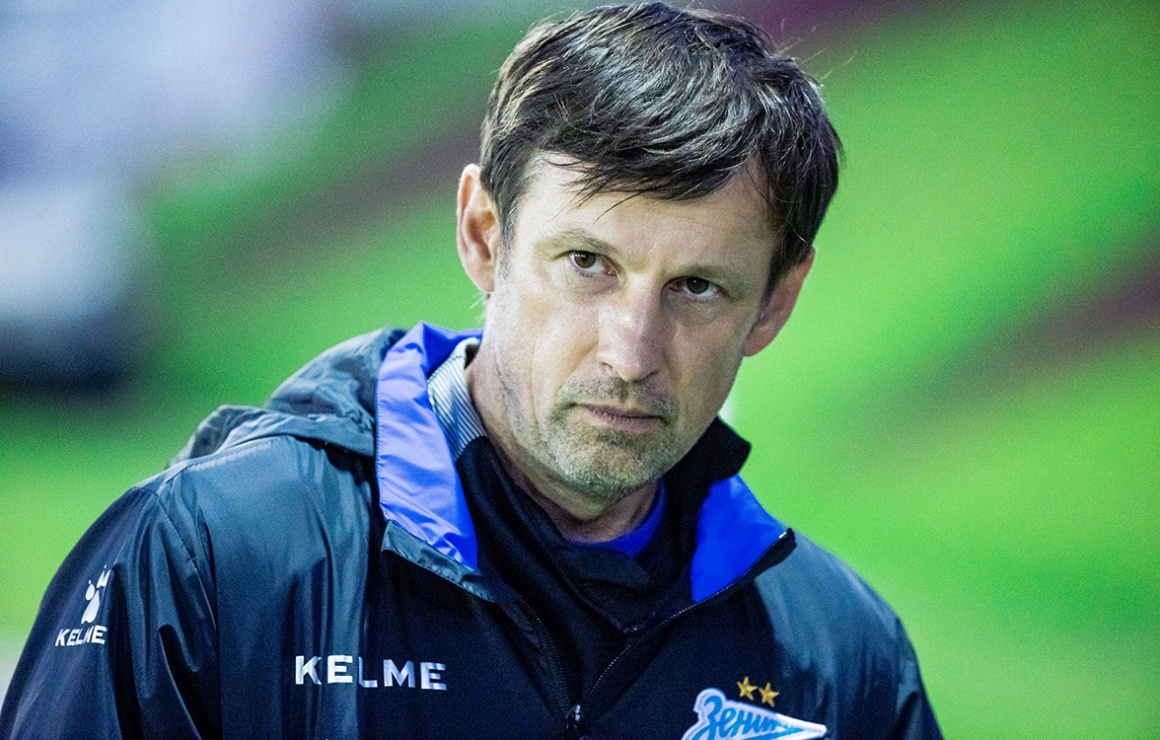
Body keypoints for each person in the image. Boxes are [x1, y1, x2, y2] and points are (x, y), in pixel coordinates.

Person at [0, 3, 942, 737]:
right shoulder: (212, 559)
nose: (630, 353)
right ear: (484, 236)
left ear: (774, 302)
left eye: (697, 288)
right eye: (587, 264)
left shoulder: (842, 658)